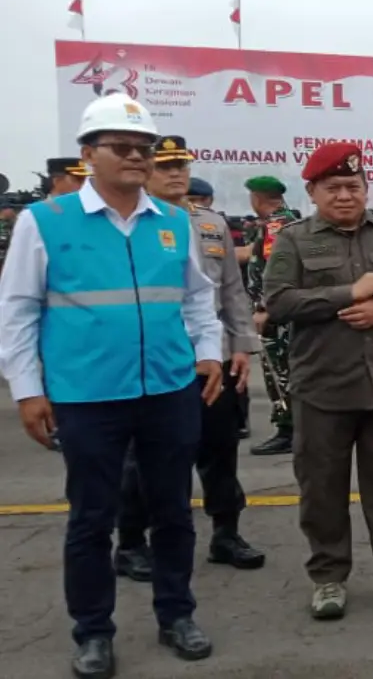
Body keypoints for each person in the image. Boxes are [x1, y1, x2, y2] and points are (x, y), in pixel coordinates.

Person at [0, 94, 224, 677]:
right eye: (120, 147)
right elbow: (18, 310)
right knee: (91, 518)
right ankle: (93, 632)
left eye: (142, 149)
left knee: (173, 513)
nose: (135, 157)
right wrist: (27, 389)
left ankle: (177, 615)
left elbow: (199, 297)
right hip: (86, 395)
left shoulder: (175, 222)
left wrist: (209, 353)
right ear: (88, 154)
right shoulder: (44, 221)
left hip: (170, 391)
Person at [261, 142, 373, 619]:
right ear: (312, 191)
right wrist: (344, 294)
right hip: (322, 389)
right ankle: (328, 579)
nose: (345, 195)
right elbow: (278, 304)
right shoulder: (293, 240)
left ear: (366, 187)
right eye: (333, 188)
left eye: (353, 186)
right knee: (322, 492)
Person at [115, 135, 265, 581]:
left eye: (181, 165)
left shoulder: (212, 224)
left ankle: (226, 533)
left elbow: (231, 293)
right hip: (157, 358)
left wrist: (241, 346)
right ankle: (132, 543)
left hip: (213, 357)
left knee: (220, 448)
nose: (176, 173)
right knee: (146, 458)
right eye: (165, 166)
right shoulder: (127, 224)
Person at [242, 174, 300, 455]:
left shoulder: (277, 226)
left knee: (279, 371)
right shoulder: (285, 221)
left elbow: (274, 271)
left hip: (276, 317)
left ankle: (289, 429)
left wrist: (265, 308)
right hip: (281, 313)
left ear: (257, 198)